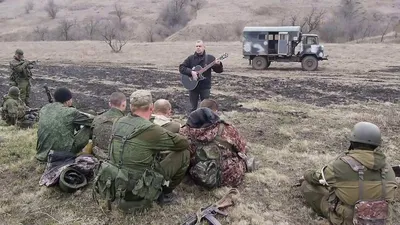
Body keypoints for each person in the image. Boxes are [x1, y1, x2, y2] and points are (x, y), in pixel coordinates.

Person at [93, 90, 190, 213]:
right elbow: (183, 144)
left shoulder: (118, 121)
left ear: (130, 107)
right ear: (151, 107)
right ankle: (166, 193)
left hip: (116, 182)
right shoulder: (152, 129)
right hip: (137, 189)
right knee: (184, 153)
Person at [300, 122, 398, 225]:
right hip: (382, 221)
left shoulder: (341, 165)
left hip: (349, 221)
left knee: (307, 186)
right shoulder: (388, 168)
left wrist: (306, 173)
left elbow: (315, 178)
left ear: (352, 142)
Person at [179, 107, 248, 188]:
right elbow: (242, 148)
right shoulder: (227, 129)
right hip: (229, 176)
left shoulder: (184, 133)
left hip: (199, 176)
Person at [36, 87, 94, 162]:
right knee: (89, 127)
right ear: (68, 101)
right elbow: (92, 121)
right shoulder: (71, 112)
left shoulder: (44, 108)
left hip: (42, 153)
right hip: (63, 154)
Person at [179, 40, 223, 113]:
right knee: (193, 108)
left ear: (204, 47)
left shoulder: (210, 58)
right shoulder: (190, 58)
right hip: (193, 86)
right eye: (197, 46)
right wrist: (191, 72)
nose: (198, 48)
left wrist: (218, 65)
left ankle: (205, 122)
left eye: (200, 46)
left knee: (205, 107)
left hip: (205, 86)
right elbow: (181, 68)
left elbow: (219, 71)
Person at [91, 92, 126, 160]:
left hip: (97, 158)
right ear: (124, 104)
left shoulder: (97, 119)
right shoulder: (126, 122)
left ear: (109, 104)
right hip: (115, 162)